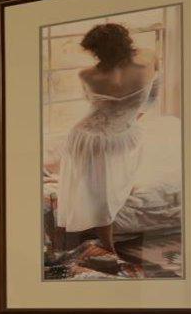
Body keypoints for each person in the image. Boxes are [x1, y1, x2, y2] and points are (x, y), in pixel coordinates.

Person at [55, 22, 157, 276]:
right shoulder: (147, 60)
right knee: (95, 190)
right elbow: (152, 88)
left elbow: (93, 103)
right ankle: (108, 247)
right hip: (104, 136)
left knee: (98, 189)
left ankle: (107, 246)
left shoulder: (88, 75)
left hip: (96, 135)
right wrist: (137, 109)